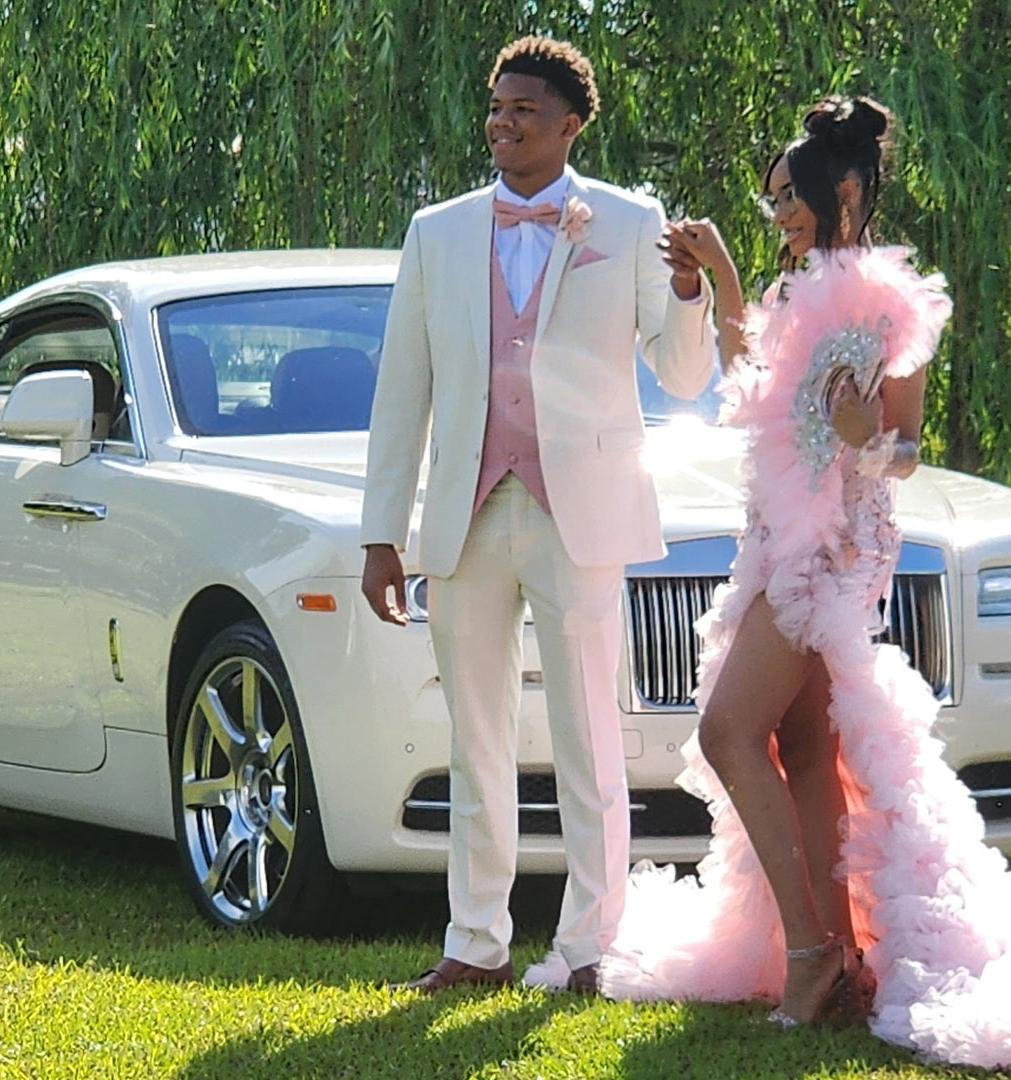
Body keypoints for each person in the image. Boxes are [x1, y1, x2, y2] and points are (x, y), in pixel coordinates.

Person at [526, 96, 1011, 1070]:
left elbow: (906, 450)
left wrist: (870, 437)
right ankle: (843, 953)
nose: (780, 212)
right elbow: (751, 390)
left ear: (845, 191)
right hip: (772, 538)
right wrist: (723, 278)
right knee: (803, 745)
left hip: (834, 549)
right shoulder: (791, 292)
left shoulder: (886, 304)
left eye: (792, 196)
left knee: (727, 732)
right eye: (774, 199)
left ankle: (812, 951)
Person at [360, 35, 715, 995]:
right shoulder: (436, 233)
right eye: (496, 106)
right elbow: (403, 391)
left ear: (570, 125)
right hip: (467, 514)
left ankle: (592, 947)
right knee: (474, 740)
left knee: (588, 735)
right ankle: (475, 944)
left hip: (581, 513)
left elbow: (685, 375)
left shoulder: (630, 222)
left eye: (524, 109)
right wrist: (381, 533)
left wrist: (689, 293)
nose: (502, 122)